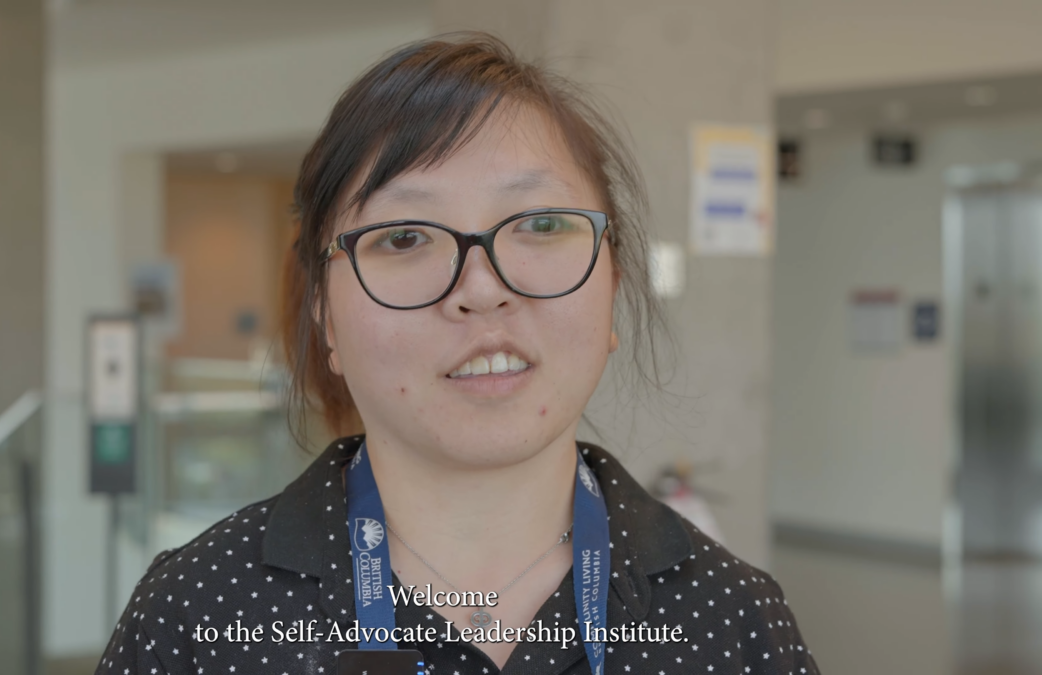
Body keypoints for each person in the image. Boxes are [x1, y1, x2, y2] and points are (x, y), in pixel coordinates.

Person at [95, 33, 819, 675]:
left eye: (539, 223)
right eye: (405, 236)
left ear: (613, 286)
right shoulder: (197, 616)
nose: (481, 289)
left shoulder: (735, 622)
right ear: (326, 319)